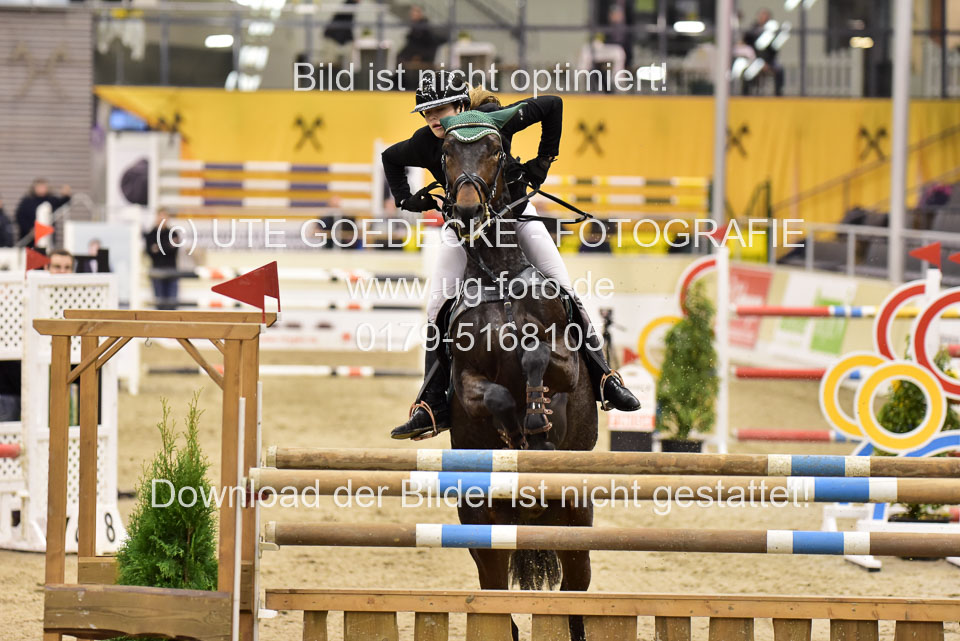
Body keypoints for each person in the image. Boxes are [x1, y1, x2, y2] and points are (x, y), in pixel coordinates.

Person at [381, 77, 641, 440]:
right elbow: (390, 158)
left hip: (516, 219)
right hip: (463, 231)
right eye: (427, 113)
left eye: (440, 110)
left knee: (564, 288)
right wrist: (407, 199)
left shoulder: (495, 120)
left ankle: (604, 377)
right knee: (437, 306)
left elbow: (552, 104)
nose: (433, 119)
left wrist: (544, 161)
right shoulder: (427, 142)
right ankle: (431, 403)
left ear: (462, 107)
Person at [15, 179, 71, 246]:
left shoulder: (51, 199)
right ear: (34, 188)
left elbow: (62, 203)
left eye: (43, 187)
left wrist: (66, 195)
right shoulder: (27, 201)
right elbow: (20, 216)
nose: (42, 189)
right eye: (39, 187)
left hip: (47, 235)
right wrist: (29, 229)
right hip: (31, 237)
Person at [742, 8, 784, 96]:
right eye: (762, 16)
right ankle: (745, 96)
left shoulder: (773, 32)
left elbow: (774, 49)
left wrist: (766, 62)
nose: (764, 18)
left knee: (779, 70)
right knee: (746, 72)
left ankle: (778, 94)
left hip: (770, 61)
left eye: (766, 16)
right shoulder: (753, 31)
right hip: (755, 60)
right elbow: (747, 45)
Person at [144, 208, 181, 310]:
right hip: (157, 272)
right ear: (156, 217)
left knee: (172, 304)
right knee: (159, 304)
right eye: (160, 216)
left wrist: (158, 248)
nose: (162, 219)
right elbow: (149, 252)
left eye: (165, 216)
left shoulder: (173, 233)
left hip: (172, 271)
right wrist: (167, 246)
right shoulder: (151, 234)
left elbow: (174, 250)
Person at [396, 5, 447, 69]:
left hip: (421, 57)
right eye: (412, 12)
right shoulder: (415, 27)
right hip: (413, 57)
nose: (412, 14)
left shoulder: (423, 28)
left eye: (416, 12)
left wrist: (418, 56)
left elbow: (428, 43)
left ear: (421, 14)